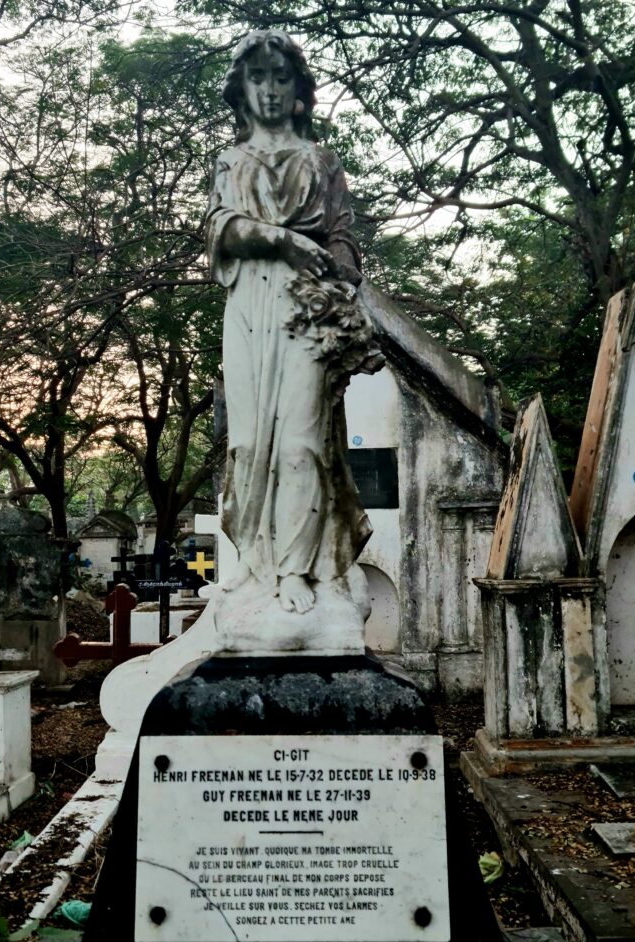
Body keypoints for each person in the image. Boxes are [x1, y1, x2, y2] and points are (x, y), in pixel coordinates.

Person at [207, 30, 378, 617]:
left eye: (282, 78)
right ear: (243, 89)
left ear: (299, 89)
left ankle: (295, 569)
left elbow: (343, 235)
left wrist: (343, 278)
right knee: (250, 444)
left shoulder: (321, 161)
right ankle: (255, 566)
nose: (271, 90)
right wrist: (279, 241)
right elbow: (219, 229)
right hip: (250, 301)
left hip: (308, 308)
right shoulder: (230, 160)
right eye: (260, 78)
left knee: (302, 444)